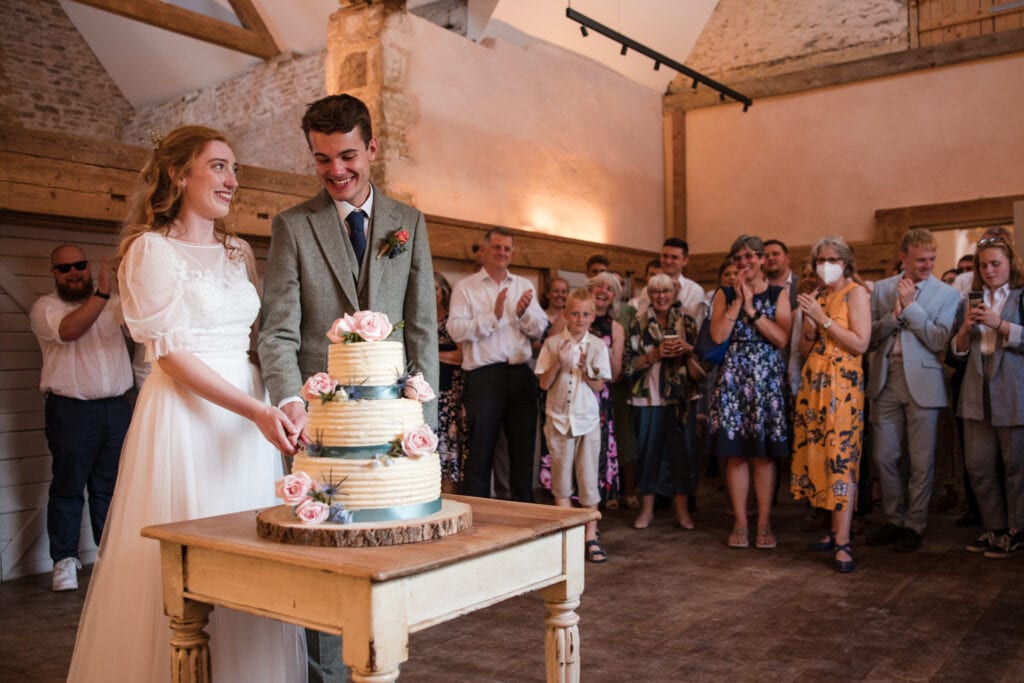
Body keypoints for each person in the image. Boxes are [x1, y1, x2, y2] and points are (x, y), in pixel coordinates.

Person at [67, 126, 304, 681]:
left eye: (234, 169)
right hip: (187, 414)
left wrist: (277, 401)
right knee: (189, 556)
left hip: (249, 420)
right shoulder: (148, 250)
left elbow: (256, 336)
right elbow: (169, 354)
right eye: (219, 166)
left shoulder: (237, 250)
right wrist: (254, 410)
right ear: (179, 173)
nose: (232, 179)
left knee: (250, 553)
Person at [257, 94, 438, 681]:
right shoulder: (293, 226)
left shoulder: (408, 224)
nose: (336, 171)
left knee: (388, 562)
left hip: (392, 431)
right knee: (325, 561)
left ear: (373, 149)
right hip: (320, 428)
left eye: (348, 156)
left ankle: (380, 669)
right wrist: (291, 401)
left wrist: (421, 423)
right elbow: (277, 332)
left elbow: (424, 330)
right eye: (321, 159)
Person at [30, 245, 133, 592]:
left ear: (88, 267)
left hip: (117, 408)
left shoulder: (113, 303)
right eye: (64, 268)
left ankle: (111, 558)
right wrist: (103, 292)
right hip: (71, 411)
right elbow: (70, 330)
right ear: (54, 274)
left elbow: (139, 330)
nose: (73, 272)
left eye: (79, 265)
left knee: (110, 489)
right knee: (68, 487)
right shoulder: (46, 307)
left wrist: (126, 286)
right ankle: (64, 561)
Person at [865, 228, 959, 553]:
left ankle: (914, 524)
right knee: (884, 456)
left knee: (921, 460)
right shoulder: (880, 289)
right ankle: (893, 518)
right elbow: (871, 336)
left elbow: (939, 340)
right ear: (903, 257)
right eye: (920, 259)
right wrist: (894, 315)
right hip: (884, 378)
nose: (927, 265)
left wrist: (911, 307)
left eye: (932, 259)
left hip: (924, 381)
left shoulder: (947, 294)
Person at [447, 227, 547, 501]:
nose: (502, 252)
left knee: (523, 452)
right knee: (480, 452)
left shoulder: (524, 285)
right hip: (483, 377)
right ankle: (476, 516)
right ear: (484, 250)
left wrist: (524, 314)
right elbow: (455, 329)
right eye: (497, 247)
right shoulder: (465, 287)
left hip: (520, 375)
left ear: (512, 253)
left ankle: (526, 516)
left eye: (507, 248)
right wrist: (493, 317)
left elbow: (540, 329)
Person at [790, 236, 871, 573]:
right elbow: (807, 348)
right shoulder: (820, 295)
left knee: (840, 459)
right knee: (820, 458)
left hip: (843, 387)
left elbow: (860, 342)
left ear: (846, 261)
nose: (826, 264)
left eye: (833, 258)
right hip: (816, 384)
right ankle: (832, 528)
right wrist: (810, 324)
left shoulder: (856, 293)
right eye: (821, 259)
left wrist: (823, 319)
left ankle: (844, 540)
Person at [707, 235, 792, 550]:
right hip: (733, 378)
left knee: (763, 456)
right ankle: (741, 522)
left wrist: (753, 310)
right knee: (737, 454)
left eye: (749, 257)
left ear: (760, 259)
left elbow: (782, 339)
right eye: (737, 258)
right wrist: (736, 304)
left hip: (766, 381)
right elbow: (717, 336)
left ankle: (764, 523)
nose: (743, 263)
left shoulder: (778, 294)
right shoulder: (723, 293)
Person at [951, 236, 1024, 558]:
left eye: (996, 263)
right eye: (984, 265)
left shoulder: (1021, 297)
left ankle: (1017, 530)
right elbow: (956, 351)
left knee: (1015, 465)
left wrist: (1001, 324)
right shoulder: (969, 299)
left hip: (1012, 385)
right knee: (978, 464)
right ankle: (993, 527)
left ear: (1011, 263)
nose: (990, 270)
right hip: (975, 387)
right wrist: (966, 329)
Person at [536, 289, 611, 562]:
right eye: (575, 313)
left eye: (586, 314)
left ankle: (591, 535)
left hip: (587, 421)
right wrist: (559, 362)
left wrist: (584, 366)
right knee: (562, 482)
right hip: (557, 420)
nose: (580, 319)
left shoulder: (598, 346)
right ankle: (570, 535)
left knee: (589, 480)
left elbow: (599, 385)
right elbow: (543, 384)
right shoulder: (553, 343)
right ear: (566, 314)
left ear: (593, 317)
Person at [624, 274, 701, 530]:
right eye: (655, 291)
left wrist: (687, 349)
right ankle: (647, 510)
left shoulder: (687, 322)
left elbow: (704, 361)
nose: (661, 296)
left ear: (674, 292)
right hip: (647, 398)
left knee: (681, 456)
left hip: (680, 400)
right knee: (648, 455)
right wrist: (653, 355)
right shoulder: (637, 323)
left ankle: (682, 511)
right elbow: (626, 365)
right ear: (649, 294)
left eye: (665, 291)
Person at [436, 272, 467, 495]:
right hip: (428, 393)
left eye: (436, 289)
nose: (432, 294)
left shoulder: (451, 320)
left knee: (449, 449)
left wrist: (431, 355)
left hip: (450, 394)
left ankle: (450, 498)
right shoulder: (421, 319)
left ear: (444, 292)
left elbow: (461, 355)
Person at [765, 238, 799, 312]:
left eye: (775, 254)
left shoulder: (801, 283)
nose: (770, 258)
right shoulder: (757, 287)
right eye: (766, 256)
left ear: (787, 258)